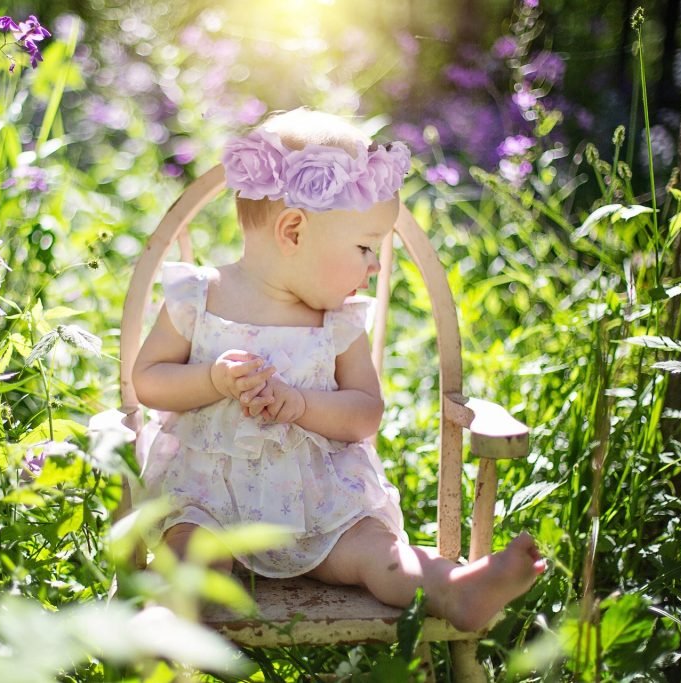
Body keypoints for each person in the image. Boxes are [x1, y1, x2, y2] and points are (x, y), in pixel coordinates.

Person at [132, 108, 545, 632]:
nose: (374, 265)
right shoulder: (199, 296)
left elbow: (363, 416)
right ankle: (165, 633)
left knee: (379, 552)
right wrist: (210, 379)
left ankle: (453, 589)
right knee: (190, 556)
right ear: (293, 231)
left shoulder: (338, 323)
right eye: (364, 247)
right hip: (211, 502)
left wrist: (302, 405)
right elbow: (149, 381)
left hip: (321, 511)